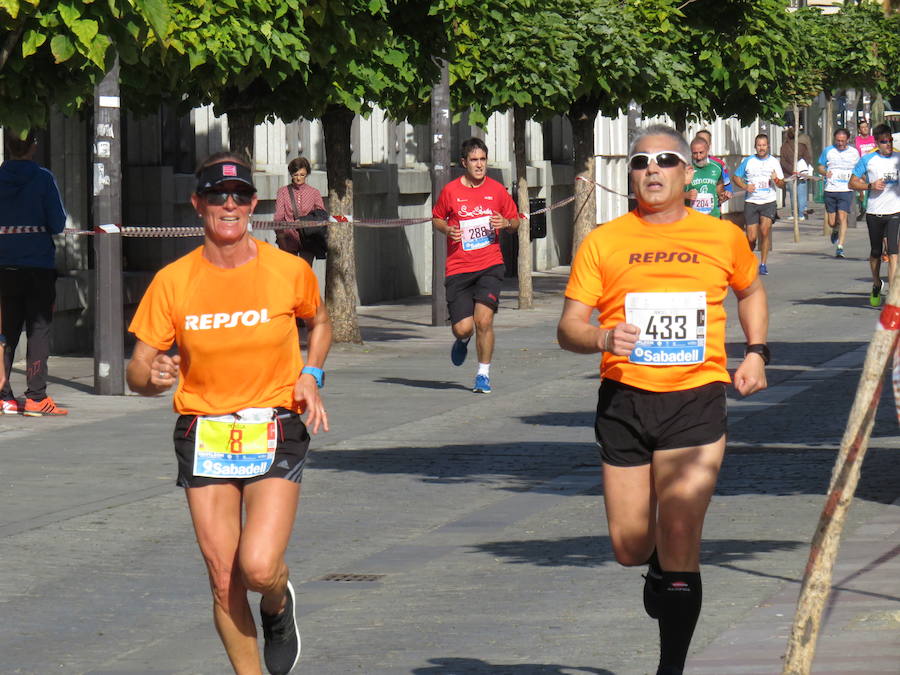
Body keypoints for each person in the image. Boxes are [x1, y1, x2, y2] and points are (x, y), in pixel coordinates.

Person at [557, 124, 768, 675]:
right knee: (631, 545)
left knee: (679, 532)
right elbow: (568, 327)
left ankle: (669, 666)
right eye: (641, 162)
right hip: (625, 401)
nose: (653, 169)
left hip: (695, 399)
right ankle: (656, 569)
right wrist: (602, 338)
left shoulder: (721, 235)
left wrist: (757, 353)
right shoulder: (604, 240)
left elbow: (751, 290)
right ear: (629, 174)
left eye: (666, 160)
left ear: (686, 170)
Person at [126, 152, 332, 675]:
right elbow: (138, 370)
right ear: (198, 204)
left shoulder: (287, 270)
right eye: (217, 196)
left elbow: (321, 323)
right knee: (223, 577)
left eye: (239, 195)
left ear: (253, 204)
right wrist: (151, 379)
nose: (229, 204)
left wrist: (311, 374)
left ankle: (277, 602)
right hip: (204, 431)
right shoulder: (173, 281)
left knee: (258, 568)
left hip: (275, 425)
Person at [432, 137, 519, 394]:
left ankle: (483, 374)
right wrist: (447, 229)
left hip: (490, 265)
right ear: (464, 163)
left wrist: (506, 224)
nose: (479, 165)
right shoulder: (451, 191)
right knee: (463, 327)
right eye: (474, 160)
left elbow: (515, 222)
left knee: (484, 321)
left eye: (483, 159)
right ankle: (463, 339)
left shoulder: (497, 190)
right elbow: (436, 218)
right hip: (459, 266)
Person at [0, 129, 68, 416]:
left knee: (5, 331)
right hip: (38, 266)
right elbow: (58, 223)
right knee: (39, 328)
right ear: (34, 147)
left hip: (3, 266)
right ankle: (37, 397)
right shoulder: (43, 178)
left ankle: (3, 395)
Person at [849, 124, 900, 307]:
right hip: (874, 211)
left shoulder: (898, 158)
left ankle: (893, 294)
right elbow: (852, 183)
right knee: (876, 253)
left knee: (894, 252)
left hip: (895, 211)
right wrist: (870, 186)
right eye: (885, 142)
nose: (888, 144)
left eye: (890, 141)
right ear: (877, 142)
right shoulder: (869, 160)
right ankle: (877, 282)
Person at [733, 133, 785, 275]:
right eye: (759, 145)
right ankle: (748, 259)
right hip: (751, 202)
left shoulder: (774, 162)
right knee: (751, 237)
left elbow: (781, 185)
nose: (761, 148)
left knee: (765, 231)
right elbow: (736, 177)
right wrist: (745, 187)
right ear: (755, 147)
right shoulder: (749, 161)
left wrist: (776, 180)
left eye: (764, 145)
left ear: (768, 146)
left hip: (768, 201)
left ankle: (763, 264)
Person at [274, 156, 328, 266]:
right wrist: (281, 239)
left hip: (308, 239)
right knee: (290, 274)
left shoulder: (314, 193)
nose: (299, 178)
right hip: (288, 239)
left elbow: (321, 215)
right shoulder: (283, 192)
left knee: (305, 272)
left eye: (302, 175)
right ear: (291, 175)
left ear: (307, 174)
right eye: (295, 175)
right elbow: (278, 217)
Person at [817, 128, 861, 258]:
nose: (840, 143)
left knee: (842, 217)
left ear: (848, 140)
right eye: (838, 141)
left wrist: (860, 185)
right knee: (831, 222)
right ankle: (835, 230)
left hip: (846, 189)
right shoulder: (829, 151)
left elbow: (859, 169)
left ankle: (840, 247)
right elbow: (820, 166)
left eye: (842, 141)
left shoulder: (854, 153)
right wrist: (825, 172)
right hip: (830, 189)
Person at [685, 136, 724, 218]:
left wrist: (722, 195)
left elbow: (719, 185)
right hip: (692, 218)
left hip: (713, 217)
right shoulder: (684, 169)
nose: (698, 157)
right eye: (695, 153)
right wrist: (685, 195)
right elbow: (672, 195)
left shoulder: (717, 167)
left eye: (701, 152)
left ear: (707, 150)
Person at [779, 127, 812, 221]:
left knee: (793, 195)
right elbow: (808, 158)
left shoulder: (784, 147)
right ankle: (801, 213)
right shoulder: (802, 146)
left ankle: (794, 213)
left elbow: (783, 161)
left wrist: (791, 170)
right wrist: (802, 169)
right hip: (802, 174)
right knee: (802, 194)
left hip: (789, 174)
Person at [694, 129, 731, 205]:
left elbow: (727, 189)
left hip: (713, 213)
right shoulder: (685, 164)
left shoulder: (719, 165)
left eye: (705, 142)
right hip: (692, 214)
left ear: (709, 145)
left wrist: (723, 196)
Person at [854, 120, 877, 221]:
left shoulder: (873, 139)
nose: (865, 129)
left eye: (866, 127)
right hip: (862, 167)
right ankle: (862, 208)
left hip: (873, 167)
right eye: (862, 127)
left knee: (872, 188)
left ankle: (871, 209)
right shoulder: (857, 140)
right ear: (859, 129)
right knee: (861, 189)